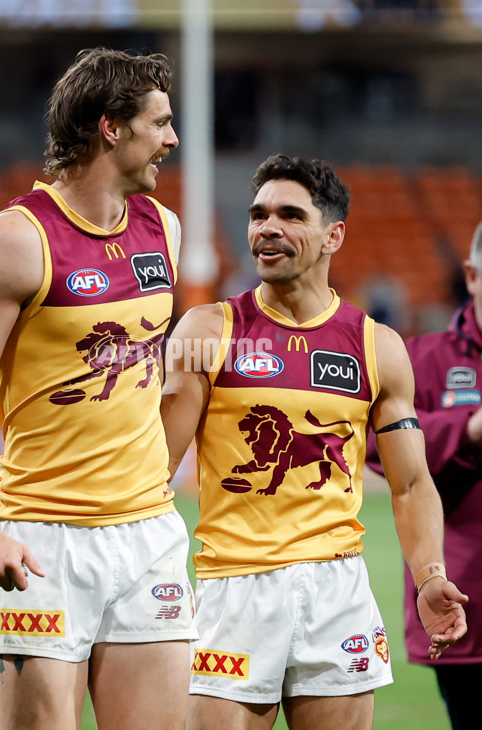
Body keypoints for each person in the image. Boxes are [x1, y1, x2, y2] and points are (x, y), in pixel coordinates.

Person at [0, 48, 196, 730]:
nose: (172, 139)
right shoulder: (15, 241)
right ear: (111, 128)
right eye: (160, 123)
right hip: (45, 545)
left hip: (148, 537)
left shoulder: (163, 229)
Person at [160, 154, 468, 730]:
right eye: (258, 215)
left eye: (289, 215)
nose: (266, 228)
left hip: (338, 590)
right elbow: (155, 475)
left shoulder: (377, 346)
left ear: (334, 235)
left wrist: (429, 576)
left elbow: (409, 483)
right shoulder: (208, 331)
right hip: (235, 589)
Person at [367, 220, 482, 730]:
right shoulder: (423, 358)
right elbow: (373, 443)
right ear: (473, 276)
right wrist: (470, 429)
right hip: (467, 606)